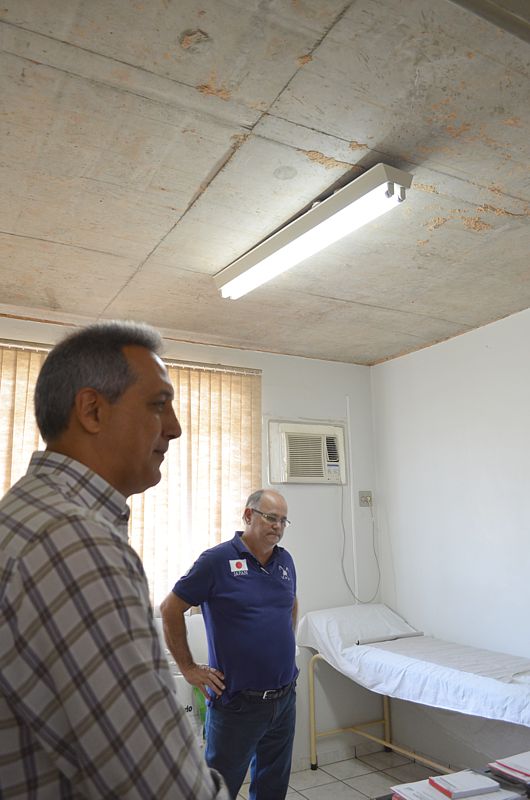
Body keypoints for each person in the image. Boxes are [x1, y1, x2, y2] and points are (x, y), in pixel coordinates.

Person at [0, 321, 229, 799]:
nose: (175, 428)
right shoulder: (75, 543)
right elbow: (161, 785)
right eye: (158, 404)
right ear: (92, 410)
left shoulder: (26, 515)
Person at [160, 489, 298, 800]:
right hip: (237, 704)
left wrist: (281, 647)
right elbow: (170, 608)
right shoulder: (217, 561)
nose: (278, 526)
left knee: (273, 788)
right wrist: (188, 668)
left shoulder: (285, 561)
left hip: (284, 699)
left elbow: (291, 603)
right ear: (248, 515)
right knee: (218, 789)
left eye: (283, 521)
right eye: (271, 518)